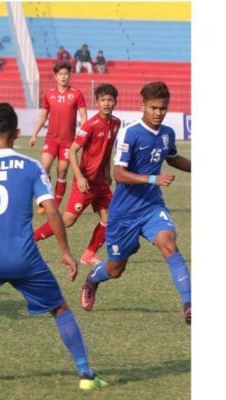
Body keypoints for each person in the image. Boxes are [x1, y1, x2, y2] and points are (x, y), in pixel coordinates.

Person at [0, 102, 108, 391]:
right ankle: (86, 374)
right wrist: (65, 252)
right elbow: (51, 210)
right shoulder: (31, 166)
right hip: (25, 260)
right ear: (17, 133)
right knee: (60, 310)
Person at [81, 82, 192, 324]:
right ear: (142, 106)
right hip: (124, 214)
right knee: (115, 269)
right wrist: (153, 178)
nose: (158, 113)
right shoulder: (130, 133)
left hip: (152, 207)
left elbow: (172, 158)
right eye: (153, 107)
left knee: (169, 244)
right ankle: (93, 279)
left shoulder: (167, 134)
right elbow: (119, 174)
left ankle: (189, 305)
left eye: (162, 108)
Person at [33, 84, 121, 266]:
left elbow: (107, 150)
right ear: (97, 103)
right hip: (86, 182)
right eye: (103, 100)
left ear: (115, 102)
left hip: (102, 183)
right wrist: (80, 177)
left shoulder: (116, 123)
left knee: (110, 218)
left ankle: (88, 255)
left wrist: (107, 172)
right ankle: (29, 241)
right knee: (67, 220)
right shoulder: (90, 125)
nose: (106, 103)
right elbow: (73, 151)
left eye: (110, 100)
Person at [28, 61, 87, 211]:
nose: (63, 77)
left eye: (66, 74)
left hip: (68, 142)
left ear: (69, 76)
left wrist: (82, 134)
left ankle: (55, 205)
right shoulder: (49, 94)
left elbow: (83, 115)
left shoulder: (76, 94)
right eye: (60, 74)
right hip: (51, 140)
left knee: (61, 172)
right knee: (44, 169)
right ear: (55, 76)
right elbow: (43, 116)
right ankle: (43, 201)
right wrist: (34, 134)